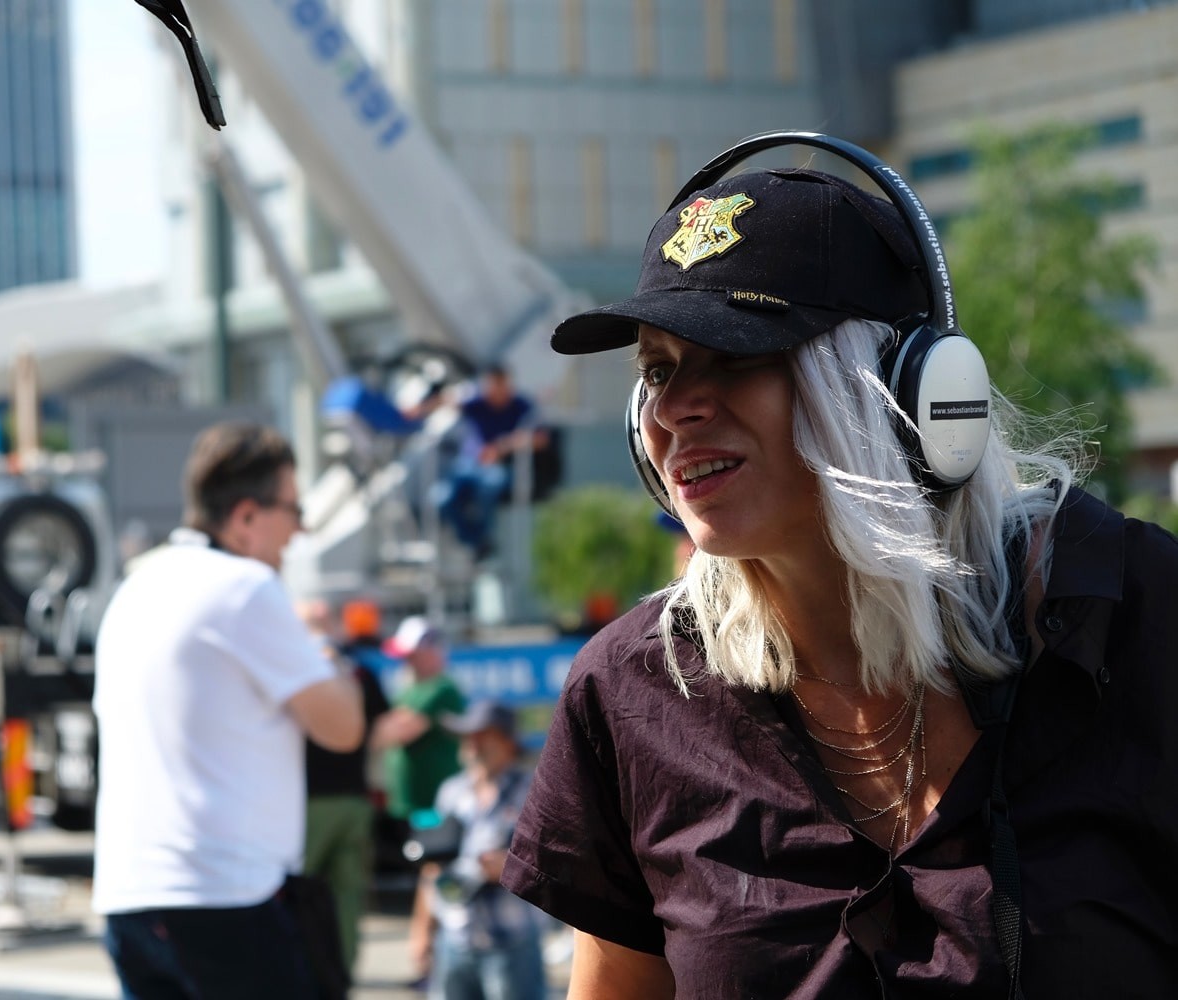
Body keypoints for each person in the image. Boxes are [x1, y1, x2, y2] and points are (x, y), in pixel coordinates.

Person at [501, 145, 1178, 997]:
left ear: (908, 393)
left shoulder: (1140, 615)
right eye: (658, 371)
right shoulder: (631, 692)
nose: (674, 409)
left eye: (735, 355)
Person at [91, 421, 365, 1000]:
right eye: (293, 510)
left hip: (129, 893)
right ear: (245, 518)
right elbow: (344, 727)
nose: (299, 530)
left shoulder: (134, 589)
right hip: (225, 895)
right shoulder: (244, 587)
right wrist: (325, 650)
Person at [408, 702, 545, 1000]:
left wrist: (510, 867)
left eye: (483, 736)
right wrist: (422, 931)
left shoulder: (533, 791)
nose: (472, 744)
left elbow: (557, 865)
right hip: (455, 939)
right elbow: (431, 866)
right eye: (467, 735)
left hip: (512, 940)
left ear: (508, 743)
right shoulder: (451, 792)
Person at [297, 597, 392, 982]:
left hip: (307, 802)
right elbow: (382, 728)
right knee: (347, 896)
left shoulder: (296, 667)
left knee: (296, 893)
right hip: (354, 797)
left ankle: (305, 975)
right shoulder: (358, 670)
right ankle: (341, 975)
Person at [432, 365, 545, 559]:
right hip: (468, 465)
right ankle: (475, 540)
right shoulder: (476, 403)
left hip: (500, 466)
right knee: (441, 497)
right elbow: (446, 402)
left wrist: (502, 447)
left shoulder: (522, 406)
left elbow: (541, 439)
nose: (496, 391)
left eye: (500, 385)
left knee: (489, 486)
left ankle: (482, 538)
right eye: (492, 385)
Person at [373, 616, 467, 826]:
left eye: (412, 656)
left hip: (434, 806)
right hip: (404, 806)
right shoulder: (407, 689)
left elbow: (399, 732)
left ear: (430, 651)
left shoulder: (442, 688)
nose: (407, 663)